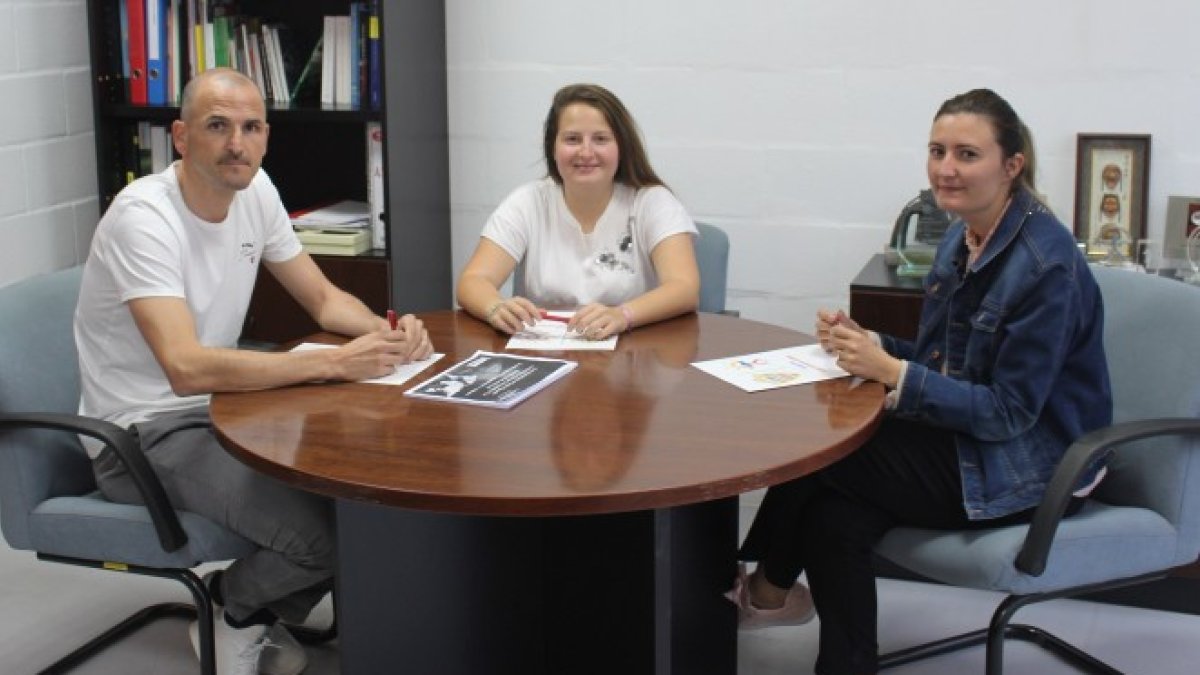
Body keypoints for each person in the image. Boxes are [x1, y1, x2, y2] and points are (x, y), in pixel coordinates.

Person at [728, 88, 1112, 674]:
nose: (946, 169)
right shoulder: (960, 237)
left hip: (1035, 462)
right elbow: (946, 364)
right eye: (937, 150)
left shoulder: (1045, 266)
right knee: (835, 519)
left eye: (966, 154)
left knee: (826, 457)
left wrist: (893, 374)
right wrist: (872, 346)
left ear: (1012, 165)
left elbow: (1010, 412)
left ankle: (766, 590)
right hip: (972, 436)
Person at [74, 68, 433, 675]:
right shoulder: (143, 218)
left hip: (223, 410)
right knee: (322, 537)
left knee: (360, 500)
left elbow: (322, 301)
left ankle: (266, 607)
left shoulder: (256, 190)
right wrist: (332, 366)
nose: (236, 143)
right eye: (218, 126)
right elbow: (184, 368)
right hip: (140, 434)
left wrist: (385, 334)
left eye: (250, 127)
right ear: (182, 138)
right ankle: (232, 607)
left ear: (265, 138)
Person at [456, 83, 700, 340]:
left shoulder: (652, 202)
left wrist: (622, 315)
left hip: (633, 358)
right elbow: (472, 280)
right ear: (553, 147)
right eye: (572, 139)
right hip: (547, 358)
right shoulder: (527, 202)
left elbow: (684, 288)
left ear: (621, 146)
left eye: (600, 139)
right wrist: (495, 307)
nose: (586, 152)